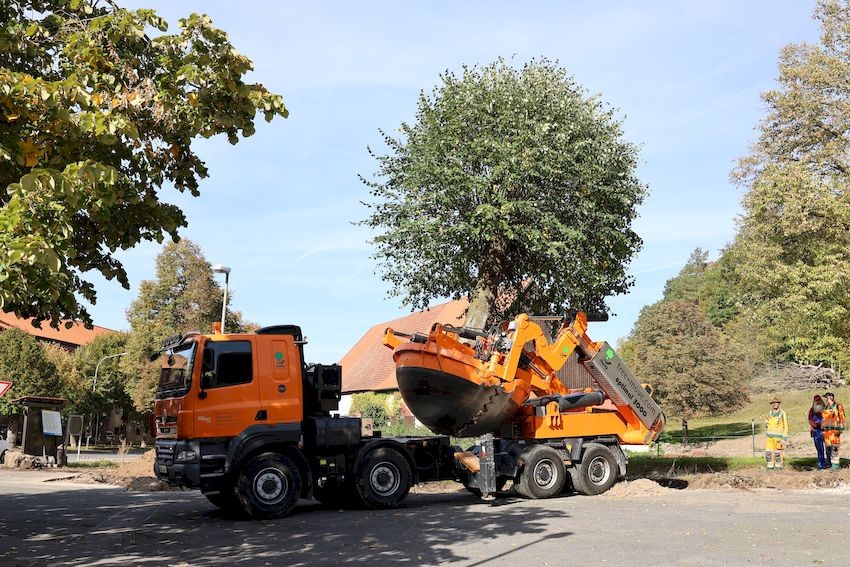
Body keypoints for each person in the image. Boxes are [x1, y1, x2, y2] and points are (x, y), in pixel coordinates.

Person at [821, 392, 845, 471]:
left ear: (830, 398)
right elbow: (823, 419)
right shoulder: (825, 408)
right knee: (829, 448)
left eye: (826, 398)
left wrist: (840, 429)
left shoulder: (838, 406)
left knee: (835, 448)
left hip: (834, 431)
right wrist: (822, 431)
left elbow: (842, 417)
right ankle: (833, 465)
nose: (826, 399)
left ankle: (836, 466)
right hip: (826, 432)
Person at [764, 397, 789, 470]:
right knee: (768, 452)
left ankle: (778, 467)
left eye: (776, 403)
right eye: (773, 403)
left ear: (779, 404)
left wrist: (784, 438)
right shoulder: (769, 413)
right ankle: (770, 466)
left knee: (778, 452)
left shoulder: (782, 413)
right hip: (769, 437)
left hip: (778, 437)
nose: (775, 404)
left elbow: (786, 426)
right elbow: (767, 422)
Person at [808, 394, 828, 469]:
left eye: (819, 400)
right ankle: (821, 465)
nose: (818, 402)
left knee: (828, 448)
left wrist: (824, 424)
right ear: (814, 401)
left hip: (825, 430)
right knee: (819, 449)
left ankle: (829, 463)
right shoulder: (812, 410)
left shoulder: (826, 408)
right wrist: (815, 424)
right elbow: (810, 420)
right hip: (816, 431)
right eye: (816, 401)